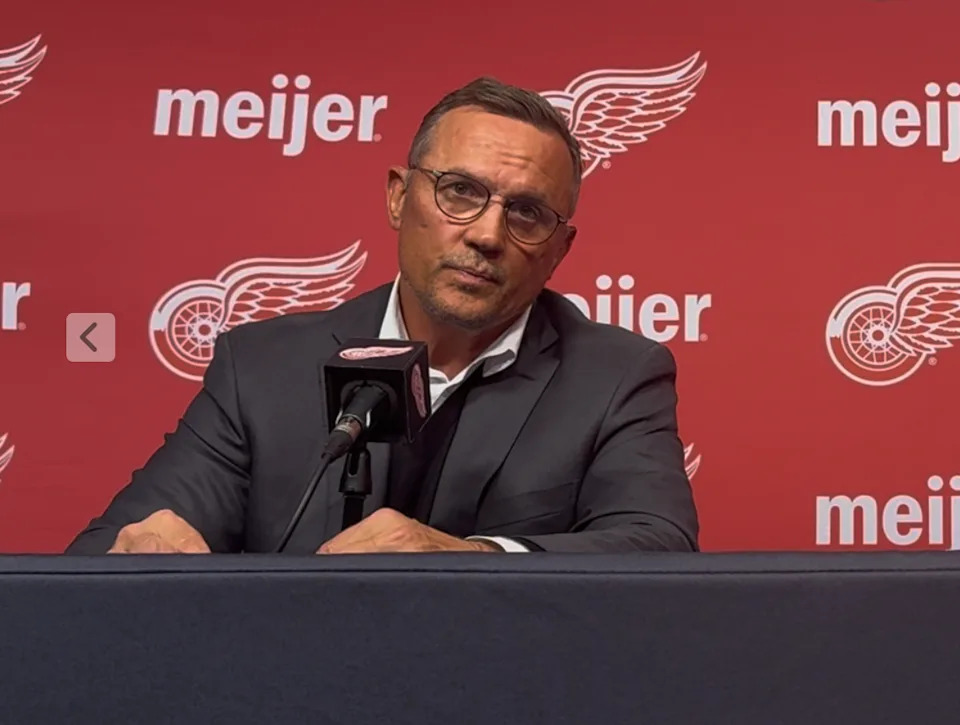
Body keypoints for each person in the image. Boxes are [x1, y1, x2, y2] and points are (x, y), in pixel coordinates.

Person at [66, 77, 699, 555]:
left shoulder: (614, 376)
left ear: (560, 249)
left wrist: (467, 556)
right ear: (399, 197)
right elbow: (99, 558)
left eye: (527, 213)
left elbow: (657, 546)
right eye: (460, 191)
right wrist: (141, 555)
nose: (486, 234)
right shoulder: (261, 368)